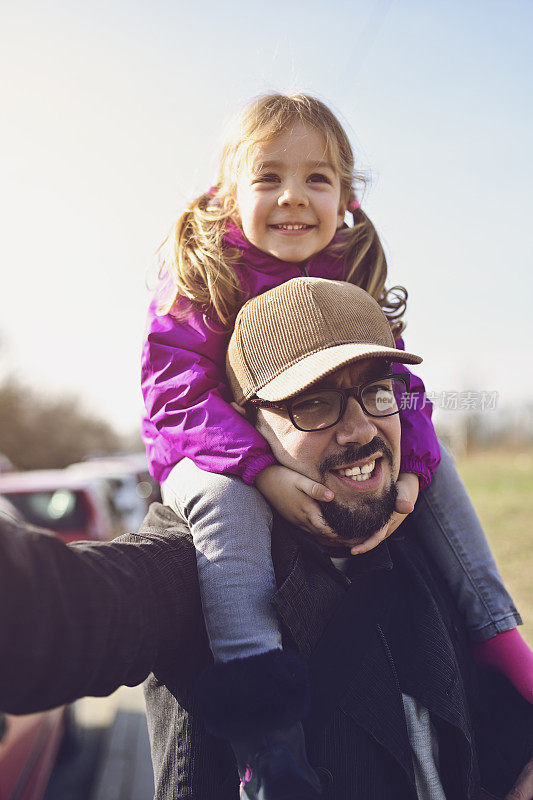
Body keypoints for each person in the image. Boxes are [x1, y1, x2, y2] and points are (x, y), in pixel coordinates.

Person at [1, 278, 532, 800]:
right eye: (315, 403)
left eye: (375, 392)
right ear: (246, 424)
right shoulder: (208, 562)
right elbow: (71, 603)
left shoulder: (416, 531)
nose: (360, 429)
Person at [141, 92, 533, 775]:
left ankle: (496, 636)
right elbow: (174, 393)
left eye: (316, 179)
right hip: (209, 448)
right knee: (221, 508)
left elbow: (398, 389)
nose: (293, 196)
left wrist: (411, 466)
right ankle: (264, 725)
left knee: (438, 471)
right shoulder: (205, 275)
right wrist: (262, 470)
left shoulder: (350, 271)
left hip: (321, 444)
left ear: (346, 197)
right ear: (228, 194)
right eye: (268, 178)